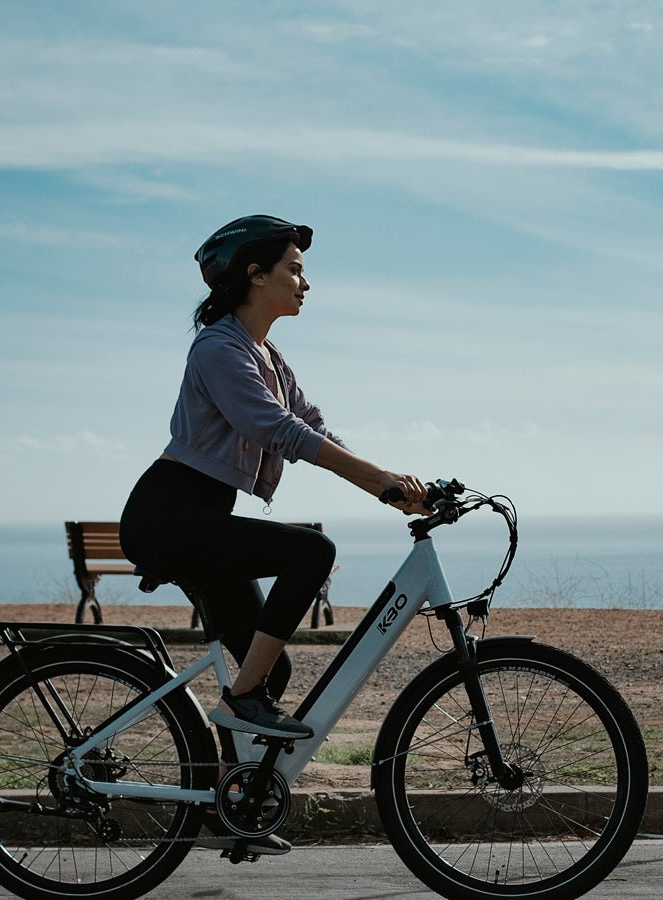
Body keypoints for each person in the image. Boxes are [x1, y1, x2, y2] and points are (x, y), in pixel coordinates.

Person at [118, 214, 426, 853]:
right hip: (170, 515)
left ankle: (227, 805)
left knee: (272, 668)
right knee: (309, 552)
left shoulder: (268, 355)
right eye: (294, 269)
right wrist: (377, 482)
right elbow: (276, 430)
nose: (305, 283)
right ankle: (240, 705)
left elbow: (311, 422)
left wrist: (396, 482)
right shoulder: (218, 349)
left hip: (202, 515)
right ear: (255, 275)